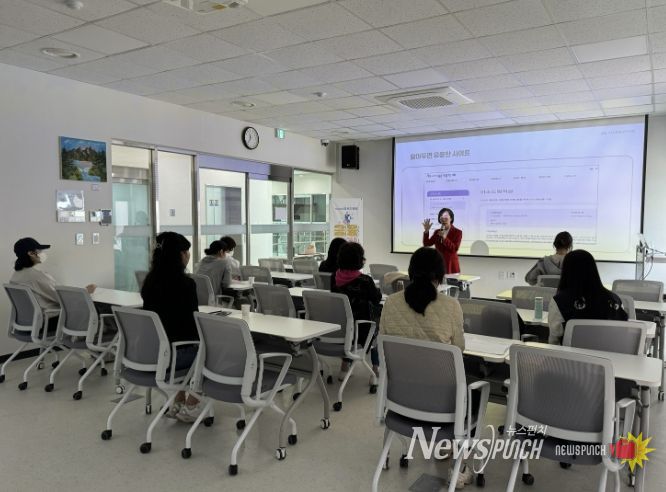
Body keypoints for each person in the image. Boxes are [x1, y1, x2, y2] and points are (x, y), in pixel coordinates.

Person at [379, 247, 470, 488]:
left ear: (411, 271)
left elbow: (384, 345)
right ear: (440, 274)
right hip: (441, 404)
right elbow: (458, 349)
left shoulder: (391, 303)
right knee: (471, 392)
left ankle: (445, 446)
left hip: (400, 399)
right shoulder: (451, 306)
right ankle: (459, 466)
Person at [141, 232, 201, 422]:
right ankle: (192, 405)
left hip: (152, 352)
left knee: (181, 340)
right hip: (175, 356)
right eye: (186, 251)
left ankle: (178, 400)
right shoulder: (186, 284)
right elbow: (193, 324)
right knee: (213, 351)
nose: (188, 255)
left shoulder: (149, 282)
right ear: (179, 255)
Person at [548, 249, 628, 345]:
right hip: (610, 353)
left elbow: (554, 340)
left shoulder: (559, 301)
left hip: (572, 354)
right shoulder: (614, 299)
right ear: (593, 270)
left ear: (566, 271)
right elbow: (623, 332)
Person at [330, 242, 382, 381]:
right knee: (377, 326)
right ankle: (375, 369)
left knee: (350, 321)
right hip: (361, 331)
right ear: (359, 259)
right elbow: (376, 299)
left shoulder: (334, 278)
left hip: (340, 328)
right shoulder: (365, 280)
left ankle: (344, 367)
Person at [10, 237, 96, 312]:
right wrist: (85, 291)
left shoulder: (16, 275)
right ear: (31, 253)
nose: (42, 253)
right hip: (53, 319)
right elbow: (63, 298)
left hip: (33, 320)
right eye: (39, 250)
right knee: (96, 307)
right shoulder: (36, 276)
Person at [422, 207, 462, 274]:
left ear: (451, 218)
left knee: (451, 281)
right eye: (441, 218)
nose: (443, 220)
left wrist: (444, 238)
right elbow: (427, 244)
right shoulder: (437, 232)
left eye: (446, 218)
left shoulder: (457, 232)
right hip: (438, 263)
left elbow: (454, 249)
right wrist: (426, 231)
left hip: (451, 265)